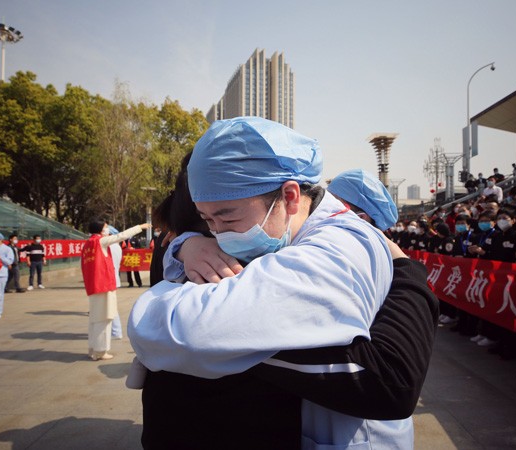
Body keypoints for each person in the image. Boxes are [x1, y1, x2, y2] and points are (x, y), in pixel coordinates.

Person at [129, 117, 424, 448]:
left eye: (227, 216)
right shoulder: (278, 234)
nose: (219, 234)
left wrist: (155, 303)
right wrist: (184, 244)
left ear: (290, 196)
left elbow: (184, 330)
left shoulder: (333, 252)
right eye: (208, 220)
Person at [81, 219, 148, 361]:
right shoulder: (100, 241)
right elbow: (121, 236)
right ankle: (100, 351)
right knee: (104, 318)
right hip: (103, 286)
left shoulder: (88, 243)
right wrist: (140, 227)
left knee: (95, 319)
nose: (108, 230)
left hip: (95, 286)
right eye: (106, 227)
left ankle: (93, 349)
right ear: (100, 230)